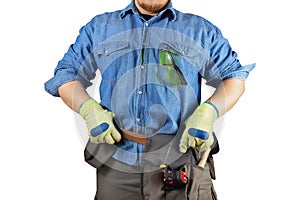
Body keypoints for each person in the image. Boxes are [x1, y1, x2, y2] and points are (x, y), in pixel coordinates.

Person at [44, 0, 255, 199]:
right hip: (117, 165)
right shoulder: (99, 28)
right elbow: (66, 74)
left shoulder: (200, 31)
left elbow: (234, 77)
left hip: (180, 163)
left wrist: (209, 111)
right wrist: (87, 109)